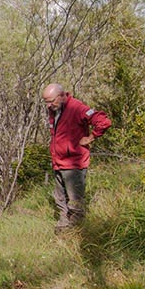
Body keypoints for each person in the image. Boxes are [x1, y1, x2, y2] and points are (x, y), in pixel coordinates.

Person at [42, 83, 111, 232]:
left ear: (61, 96)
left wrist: (91, 137)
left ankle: (77, 232)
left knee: (75, 201)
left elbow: (103, 121)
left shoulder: (77, 107)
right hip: (58, 162)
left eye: (51, 101)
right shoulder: (55, 109)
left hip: (74, 163)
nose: (48, 105)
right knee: (60, 198)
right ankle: (63, 225)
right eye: (45, 102)